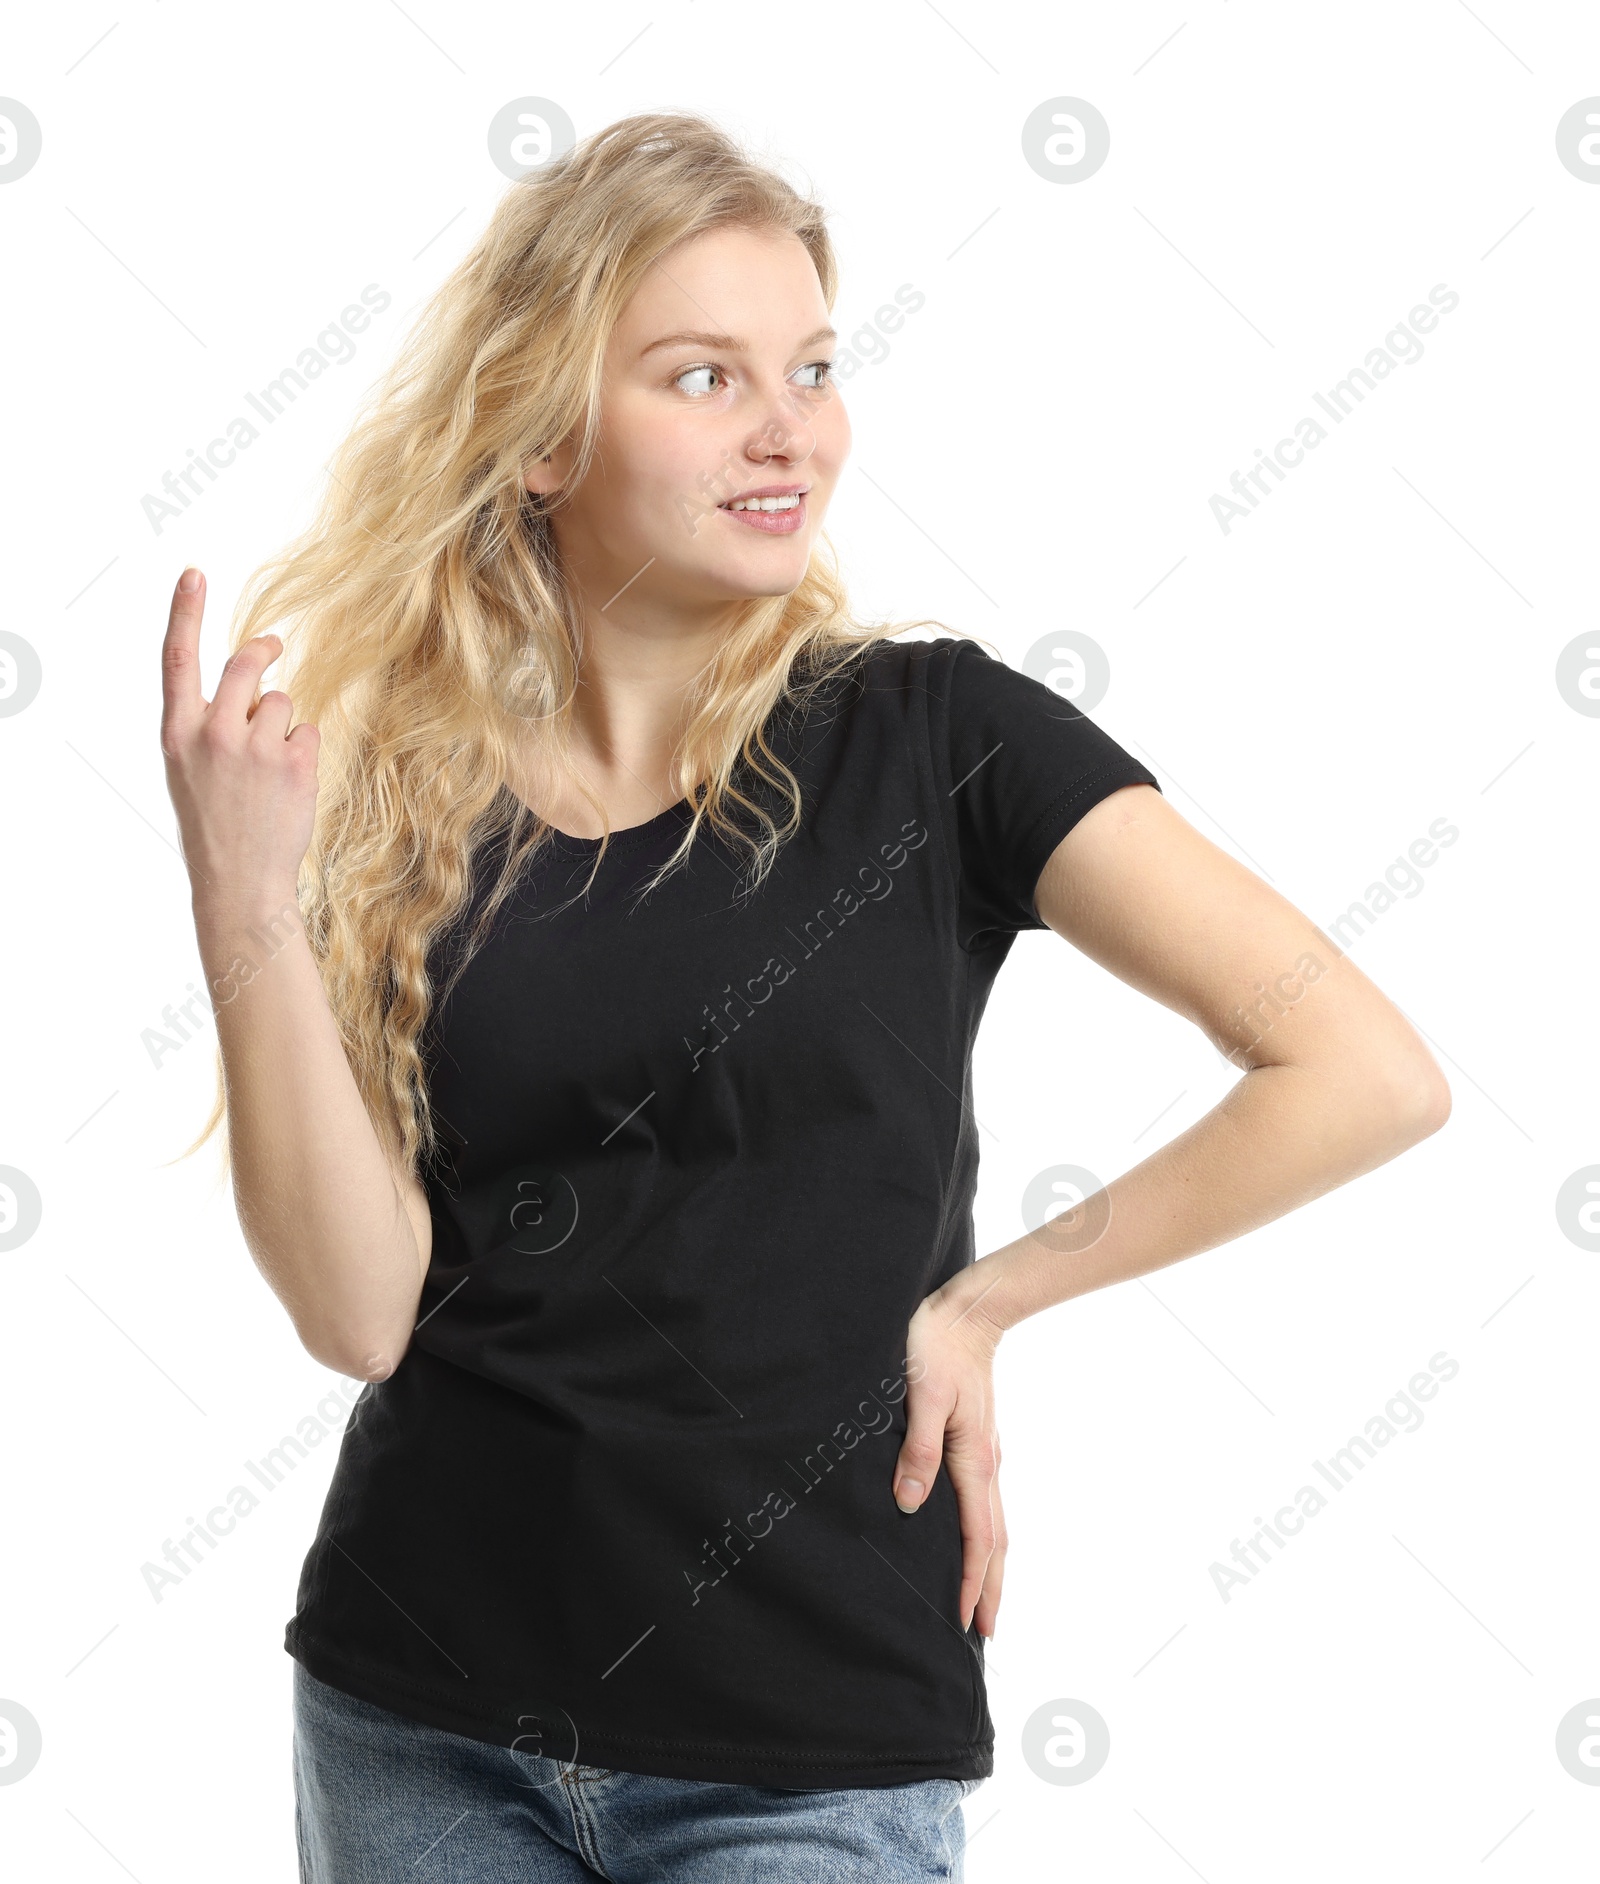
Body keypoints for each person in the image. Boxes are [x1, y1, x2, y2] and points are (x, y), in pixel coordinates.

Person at [159, 111, 1450, 1883]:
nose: (792, 431)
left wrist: (988, 1303)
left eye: (816, 368)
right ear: (539, 437)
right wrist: (241, 900)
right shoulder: (404, 799)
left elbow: (1360, 1065)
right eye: (706, 375)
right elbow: (362, 1315)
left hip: (807, 1750)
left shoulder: (939, 740)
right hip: (418, 1717)